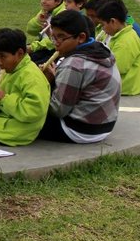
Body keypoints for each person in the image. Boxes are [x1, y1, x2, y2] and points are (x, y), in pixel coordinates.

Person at [38, 11, 121, 144]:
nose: (56, 43)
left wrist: (45, 82)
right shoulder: (101, 50)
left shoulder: (74, 64)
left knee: (24, 113)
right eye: (53, 37)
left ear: (81, 37)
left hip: (78, 130)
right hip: (104, 126)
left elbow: (57, 110)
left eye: (61, 37)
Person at [0, 28, 50, 146]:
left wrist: (4, 99)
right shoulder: (11, 70)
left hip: (17, 132)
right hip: (2, 123)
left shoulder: (32, 77)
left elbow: (33, 112)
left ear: (20, 53)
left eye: (2, 56)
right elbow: (6, 104)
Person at [96, 0, 140, 96]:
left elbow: (117, 68)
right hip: (114, 83)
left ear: (113, 22)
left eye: (103, 24)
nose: (102, 28)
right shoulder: (110, 33)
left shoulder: (126, 41)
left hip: (124, 86)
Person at [26, 0, 66, 64]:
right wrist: (38, 21)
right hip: (42, 46)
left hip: (53, 50)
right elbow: (30, 30)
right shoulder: (46, 11)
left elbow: (55, 41)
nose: (43, 1)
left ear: (58, 1)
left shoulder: (63, 14)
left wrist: (33, 47)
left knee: (31, 63)